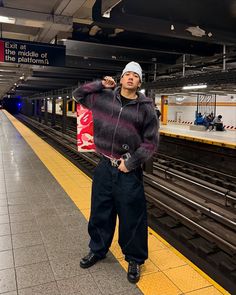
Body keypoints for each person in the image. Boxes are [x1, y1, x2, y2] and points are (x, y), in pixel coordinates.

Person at [73, 61, 158, 284]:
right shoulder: (104, 98)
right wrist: (100, 84)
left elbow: (150, 143)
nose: (130, 77)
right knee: (100, 210)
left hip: (128, 170)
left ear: (140, 82)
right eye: (127, 74)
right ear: (120, 79)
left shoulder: (146, 108)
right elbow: (78, 94)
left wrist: (130, 163)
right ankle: (98, 249)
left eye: (135, 76)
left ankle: (134, 259)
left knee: (132, 217)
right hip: (104, 167)